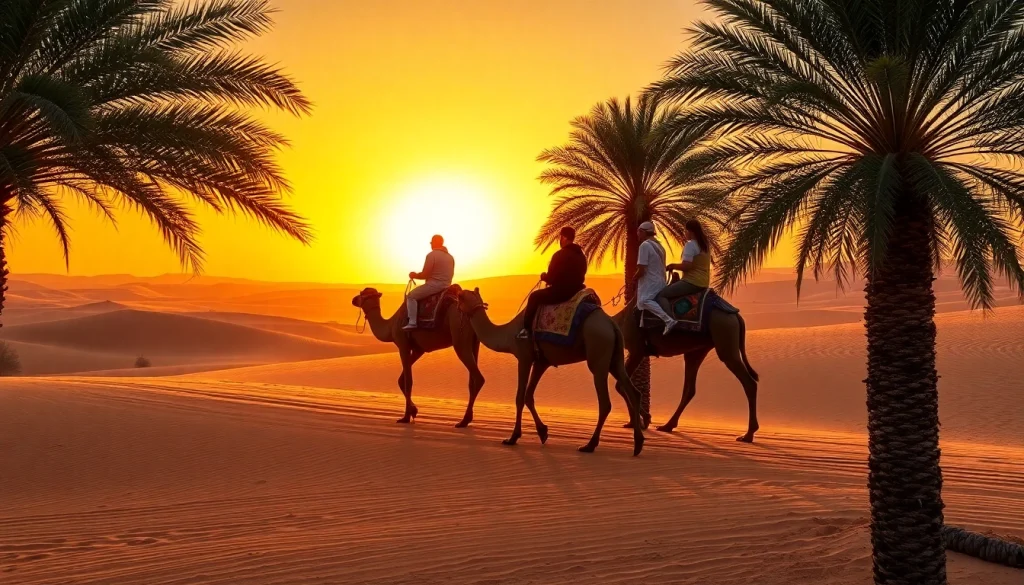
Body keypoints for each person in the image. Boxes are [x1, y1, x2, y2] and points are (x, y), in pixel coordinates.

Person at [517, 226, 588, 339]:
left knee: (534, 296)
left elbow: (551, 278)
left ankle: (526, 330)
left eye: (561, 237)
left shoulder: (559, 255)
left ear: (564, 237)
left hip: (561, 292)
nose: (560, 240)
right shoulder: (582, 255)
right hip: (578, 291)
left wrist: (544, 276)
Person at [656, 219, 712, 318]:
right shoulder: (705, 245)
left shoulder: (690, 245)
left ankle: (670, 320)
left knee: (661, 295)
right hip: (704, 282)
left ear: (690, 232)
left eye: (686, 231)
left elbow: (687, 266)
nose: (685, 233)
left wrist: (672, 266)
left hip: (691, 282)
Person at [633, 221, 677, 335]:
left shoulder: (644, 245)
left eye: (638, 232)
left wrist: (634, 278)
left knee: (643, 301)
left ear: (642, 232)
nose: (637, 235)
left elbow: (642, 269)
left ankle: (668, 320)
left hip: (650, 283)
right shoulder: (660, 246)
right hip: (661, 282)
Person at [403, 234, 455, 330]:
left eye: (431, 243)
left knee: (411, 296)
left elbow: (425, 275)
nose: (431, 245)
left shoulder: (431, 255)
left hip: (434, 285)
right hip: (447, 285)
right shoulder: (450, 257)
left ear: (434, 243)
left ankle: (412, 322)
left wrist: (414, 275)